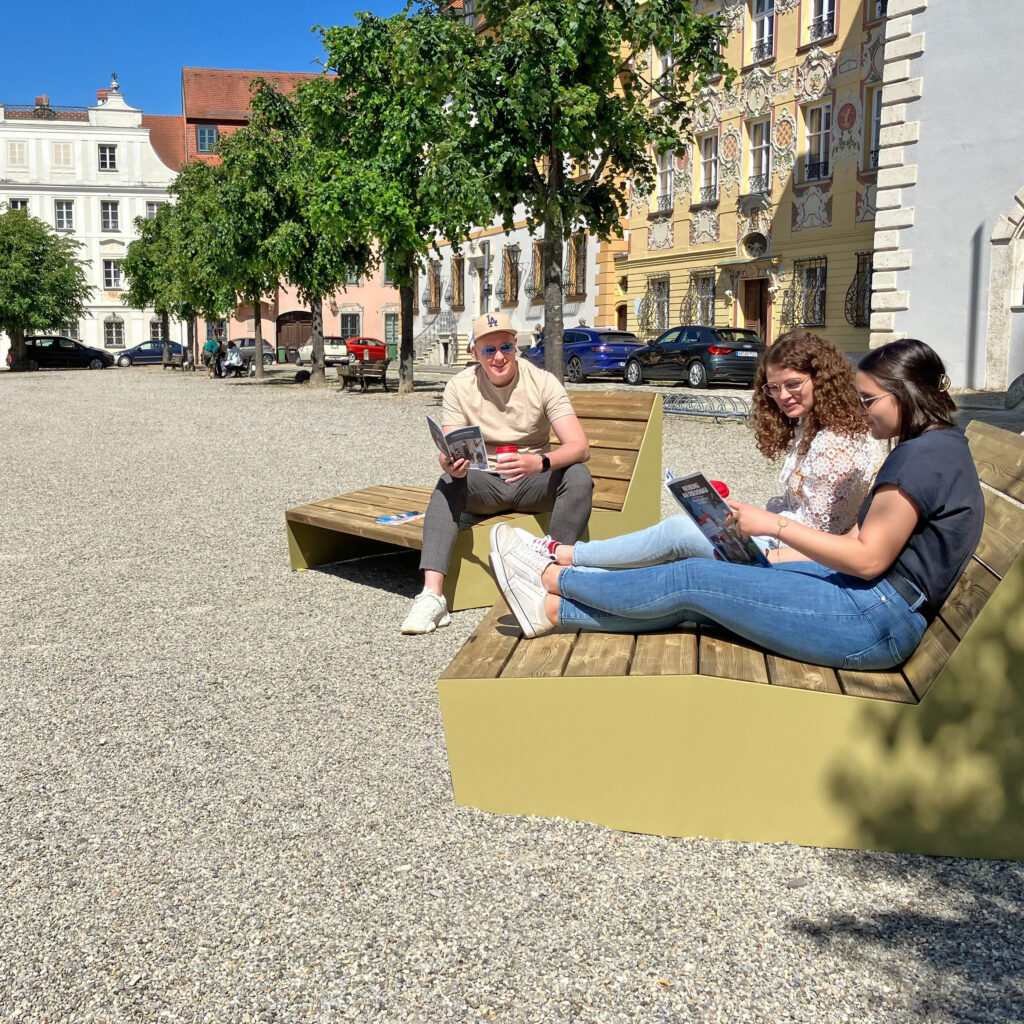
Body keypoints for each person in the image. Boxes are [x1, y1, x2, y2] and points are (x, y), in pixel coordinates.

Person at [489, 339, 984, 672]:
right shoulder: (934, 448)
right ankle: (554, 608)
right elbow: (861, 543)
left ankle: (552, 575)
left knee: (693, 580)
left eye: (869, 399)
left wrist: (773, 527)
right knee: (706, 592)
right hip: (869, 603)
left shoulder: (921, 460)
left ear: (908, 394)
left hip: (872, 620)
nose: (860, 410)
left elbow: (869, 557)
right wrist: (772, 555)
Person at [510, 330, 882, 571]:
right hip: (783, 544)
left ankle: (562, 557)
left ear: (822, 378)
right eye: (773, 388)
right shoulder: (818, 429)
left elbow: (824, 540)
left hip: (798, 560)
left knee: (678, 533)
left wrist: (761, 549)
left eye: (793, 384)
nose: (782, 396)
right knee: (688, 531)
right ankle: (569, 564)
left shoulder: (837, 444)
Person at [401, 311, 594, 635]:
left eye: (505, 346)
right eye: (489, 350)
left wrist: (540, 462)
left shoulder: (543, 382)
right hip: (484, 482)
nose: (499, 356)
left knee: (578, 476)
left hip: (532, 479)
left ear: (516, 345)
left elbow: (579, 446)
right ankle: (432, 596)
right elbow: (450, 444)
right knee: (448, 481)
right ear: (474, 352)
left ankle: (547, 578)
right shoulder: (460, 386)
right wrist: (450, 462)